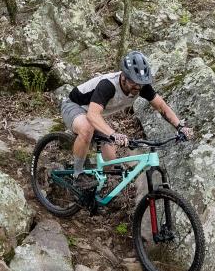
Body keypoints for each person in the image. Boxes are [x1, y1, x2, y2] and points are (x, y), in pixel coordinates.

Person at [60, 50, 194, 193]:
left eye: (141, 84)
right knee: (87, 129)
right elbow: (92, 115)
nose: (138, 87)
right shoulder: (108, 85)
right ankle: (78, 173)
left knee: (109, 159)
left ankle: (89, 182)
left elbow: (161, 106)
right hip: (74, 106)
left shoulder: (141, 86)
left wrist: (180, 126)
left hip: (94, 112)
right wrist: (113, 134)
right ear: (123, 76)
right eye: (134, 83)